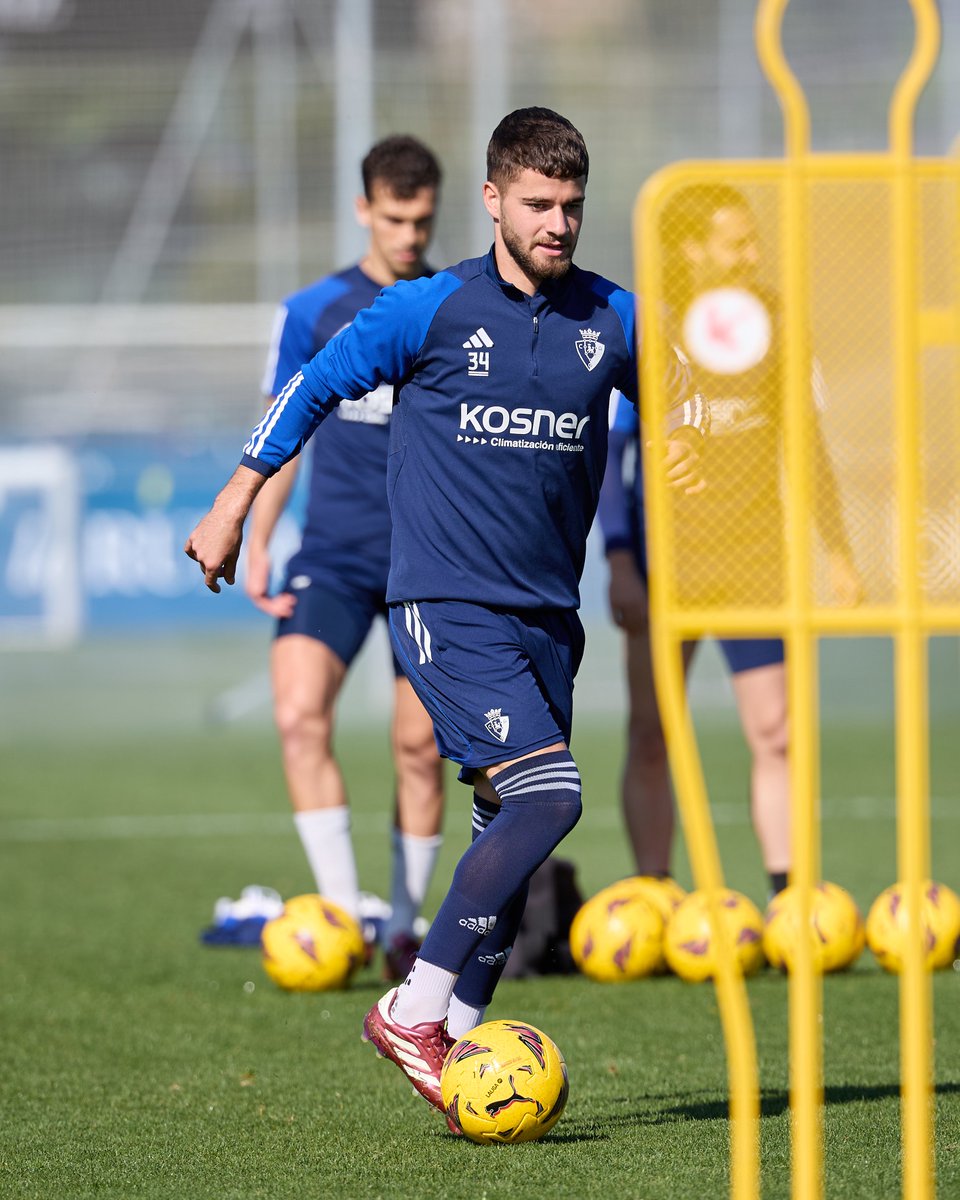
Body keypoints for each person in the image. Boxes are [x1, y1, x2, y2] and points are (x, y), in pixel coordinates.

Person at [184, 107, 708, 1125]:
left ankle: (460, 1034)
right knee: (548, 800)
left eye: (571, 205)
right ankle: (414, 1008)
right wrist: (234, 501)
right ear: (494, 199)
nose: (558, 223)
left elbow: (677, 394)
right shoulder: (426, 311)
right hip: (445, 602)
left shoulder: (616, 318)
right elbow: (310, 387)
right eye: (538, 204)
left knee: (500, 821)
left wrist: (680, 432)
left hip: (549, 616)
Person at [598, 182, 862, 896]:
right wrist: (620, 561)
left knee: (773, 733)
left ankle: (788, 896)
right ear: (691, 248)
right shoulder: (651, 325)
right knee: (652, 735)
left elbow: (807, 447)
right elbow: (614, 459)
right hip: (665, 566)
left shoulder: (776, 320)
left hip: (755, 561)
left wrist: (837, 552)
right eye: (736, 241)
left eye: (755, 240)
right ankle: (654, 891)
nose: (753, 255)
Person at [244, 135, 445, 980]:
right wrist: (257, 539)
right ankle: (340, 915)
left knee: (420, 748)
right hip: (331, 553)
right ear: (365, 208)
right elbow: (283, 433)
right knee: (297, 715)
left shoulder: (454, 305)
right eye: (394, 218)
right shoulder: (312, 311)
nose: (407, 234)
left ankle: (403, 924)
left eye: (422, 219)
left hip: (428, 566)